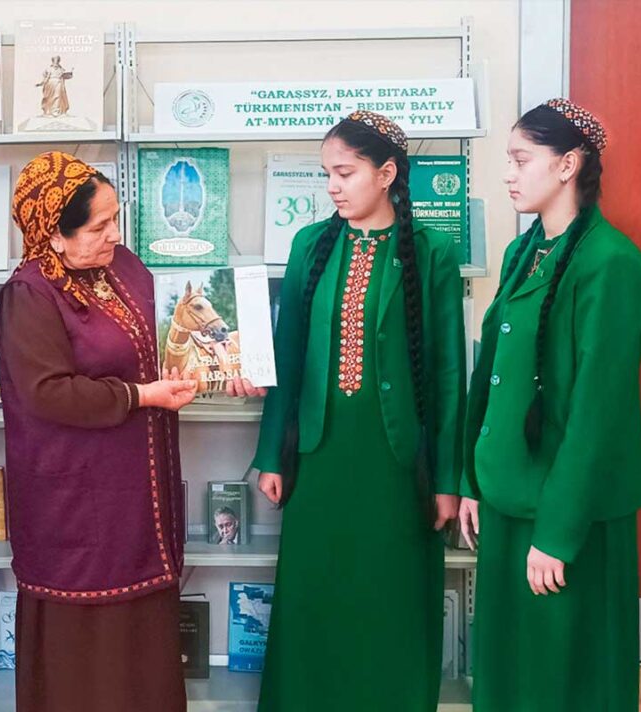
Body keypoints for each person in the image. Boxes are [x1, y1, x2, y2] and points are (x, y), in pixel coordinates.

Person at [252, 111, 466, 711]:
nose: (333, 187)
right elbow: (288, 356)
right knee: (316, 595)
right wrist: (272, 455)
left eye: (345, 173)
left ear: (387, 174)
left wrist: (448, 480)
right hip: (318, 456)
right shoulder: (311, 245)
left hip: (398, 463)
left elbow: (449, 374)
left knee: (390, 596)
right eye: (327, 174)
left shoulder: (431, 251)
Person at [459, 98, 641, 712]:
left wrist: (558, 535)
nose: (508, 175)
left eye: (521, 160)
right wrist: (471, 480)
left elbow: (598, 413)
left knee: (565, 681)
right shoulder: (525, 252)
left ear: (568, 165)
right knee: (508, 675)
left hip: (567, 513)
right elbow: (490, 376)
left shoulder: (612, 263)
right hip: (508, 495)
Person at [0, 151, 199, 712]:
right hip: (76, 498)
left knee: (142, 629)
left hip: (138, 490)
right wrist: (142, 396)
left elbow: (165, 338)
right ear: (53, 235)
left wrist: (212, 366)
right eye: (98, 226)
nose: (115, 235)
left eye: (116, 219)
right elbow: (48, 392)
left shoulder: (121, 266)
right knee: (84, 636)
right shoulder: (31, 293)